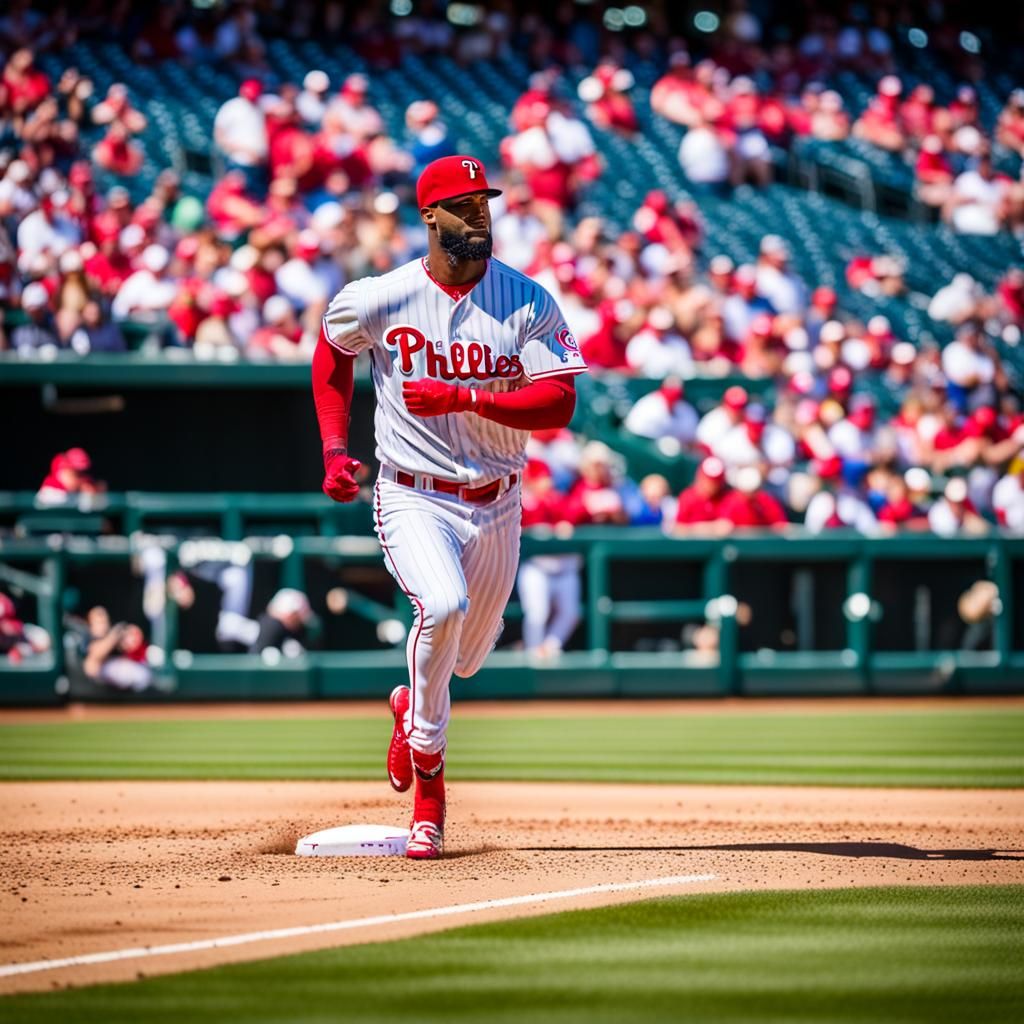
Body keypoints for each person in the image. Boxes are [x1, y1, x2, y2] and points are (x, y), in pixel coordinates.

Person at [312, 154, 586, 859]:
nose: (478, 216)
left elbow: (560, 400)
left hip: (498, 501)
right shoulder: (382, 296)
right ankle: (430, 795)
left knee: (463, 662)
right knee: (441, 606)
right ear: (430, 216)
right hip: (412, 492)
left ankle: (410, 704)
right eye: (464, 206)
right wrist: (335, 448)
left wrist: (467, 398)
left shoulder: (527, 299)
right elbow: (332, 350)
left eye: (484, 204)